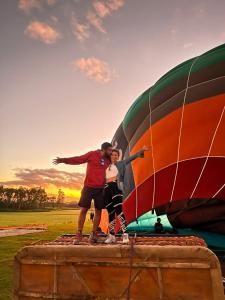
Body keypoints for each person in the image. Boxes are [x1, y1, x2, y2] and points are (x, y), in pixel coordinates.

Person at [52, 142, 112, 243]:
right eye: (110, 150)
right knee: (84, 209)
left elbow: (117, 166)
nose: (111, 152)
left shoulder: (108, 160)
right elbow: (78, 159)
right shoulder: (92, 154)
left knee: (98, 211)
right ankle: (79, 234)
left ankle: (94, 234)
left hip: (101, 189)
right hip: (88, 187)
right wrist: (63, 160)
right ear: (104, 149)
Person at [104, 146, 149, 244]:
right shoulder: (106, 166)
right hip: (106, 188)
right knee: (110, 212)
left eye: (116, 155)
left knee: (119, 211)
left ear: (118, 157)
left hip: (116, 187)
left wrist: (142, 150)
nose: (114, 156)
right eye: (113, 155)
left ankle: (125, 234)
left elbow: (131, 158)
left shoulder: (121, 163)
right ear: (110, 156)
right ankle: (111, 235)